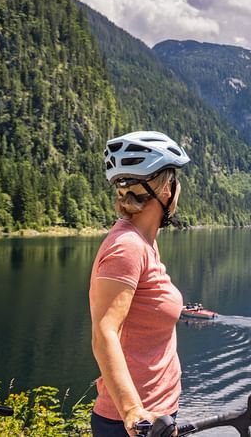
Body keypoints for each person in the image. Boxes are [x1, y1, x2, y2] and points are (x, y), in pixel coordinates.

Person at [89, 131, 191, 437]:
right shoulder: (127, 247)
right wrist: (133, 410)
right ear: (164, 189)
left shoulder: (146, 243)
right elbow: (103, 333)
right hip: (134, 426)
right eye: (175, 180)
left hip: (159, 415)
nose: (180, 189)